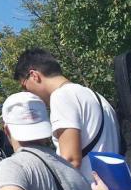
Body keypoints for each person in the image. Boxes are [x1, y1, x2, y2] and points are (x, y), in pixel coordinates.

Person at [14, 48, 120, 180]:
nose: (27, 93)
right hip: (112, 189)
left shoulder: (61, 96)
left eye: (25, 86)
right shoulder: (95, 96)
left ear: (34, 75)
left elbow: (70, 160)